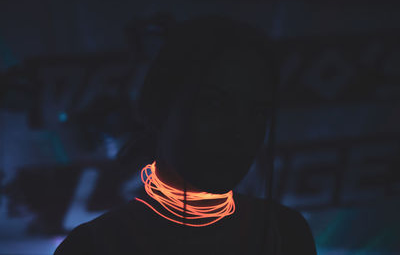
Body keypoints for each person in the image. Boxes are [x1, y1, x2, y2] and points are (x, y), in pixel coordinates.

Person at [54, 16, 316, 255]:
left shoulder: (285, 234)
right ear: (158, 108)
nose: (238, 131)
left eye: (256, 112)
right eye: (214, 105)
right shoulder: (92, 248)